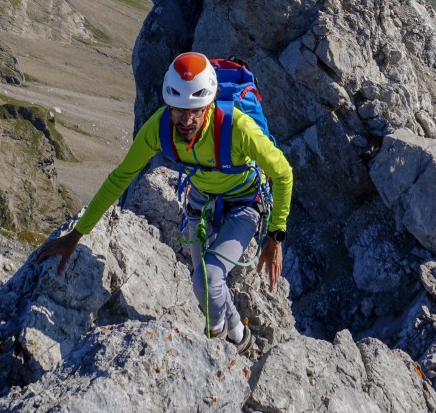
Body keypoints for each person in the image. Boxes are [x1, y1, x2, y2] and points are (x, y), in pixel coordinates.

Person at [34, 51, 293, 353]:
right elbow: (120, 178)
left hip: (245, 204)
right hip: (200, 202)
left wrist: (276, 236)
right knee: (204, 286)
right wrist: (77, 234)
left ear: (209, 103)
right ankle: (237, 333)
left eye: (196, 109)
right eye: (179, 110)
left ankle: (225, 343)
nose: (187, 120)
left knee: (207, 279)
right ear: (168, 105)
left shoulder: (237, 128)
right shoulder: (159, 128)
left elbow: (283, 174)